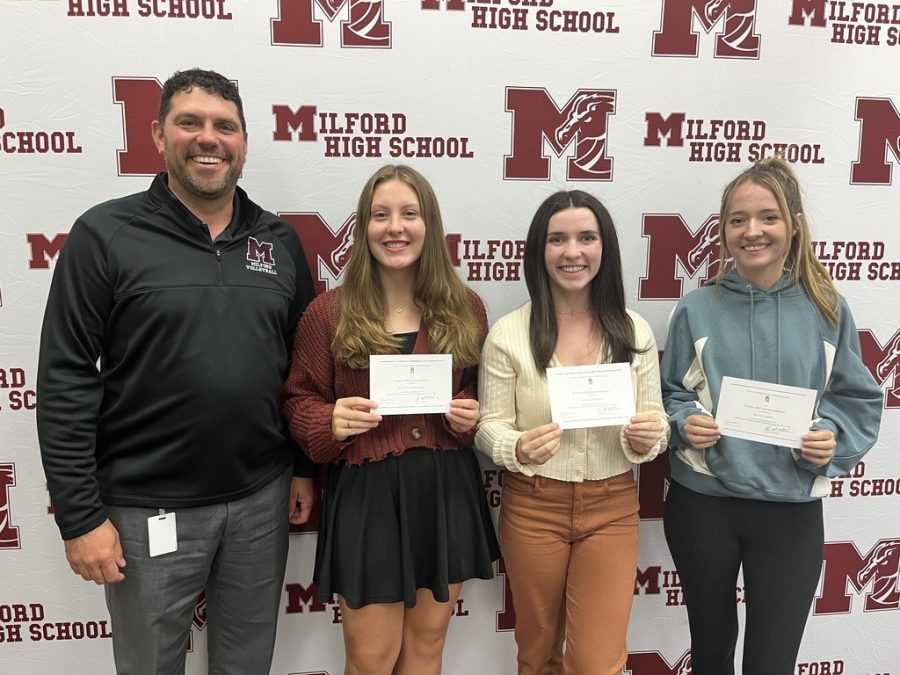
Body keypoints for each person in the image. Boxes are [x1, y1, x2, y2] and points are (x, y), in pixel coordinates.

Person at [36, 68, 317, 674]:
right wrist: (80, 516)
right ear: (158, 134)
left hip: (258, 499)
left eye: (225, 126)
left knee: (246, 665)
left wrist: (300, 467)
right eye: (189, 122)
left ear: (244, 142)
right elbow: (65, 376)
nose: (208, 138)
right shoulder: (104, 235)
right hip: (144, 508)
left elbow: (303, 372)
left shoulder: (279, 241)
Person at [660, 156, 883, 675]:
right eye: (737, 220)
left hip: (790, 510)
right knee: (710, 655)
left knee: (772, 663)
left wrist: (832, 435)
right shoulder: (696, 308)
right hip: (704, 506)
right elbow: (669, 393)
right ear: (723, 230)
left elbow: (857, 399)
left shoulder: (829, 307)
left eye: (768, 217)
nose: (752, 231)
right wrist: (683, 423)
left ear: (794, 225)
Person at [282, 164, 499, 675]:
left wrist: (470, 412)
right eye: (381, 215)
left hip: (445, 490)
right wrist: (328, 422)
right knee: (370, 657)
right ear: (364, 227)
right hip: (367, 494)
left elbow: (477, 390)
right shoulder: (328, 313)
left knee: (427, 646)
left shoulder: (465, 307)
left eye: (409, 213)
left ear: (430, 224)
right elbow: (298, 399)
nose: (395, 227)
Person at [475, 190, 668, 675]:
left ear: (605, 248)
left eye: (586, 237)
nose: (572, 252)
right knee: (537, 654)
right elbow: (487, 426)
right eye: (557, 239)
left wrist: (651, 435)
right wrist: (513, 445)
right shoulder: (509, 334)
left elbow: (657, 420)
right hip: (534, 507)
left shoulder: (633, 332)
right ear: (540, 251)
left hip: (612, 507)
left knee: (596, 663)